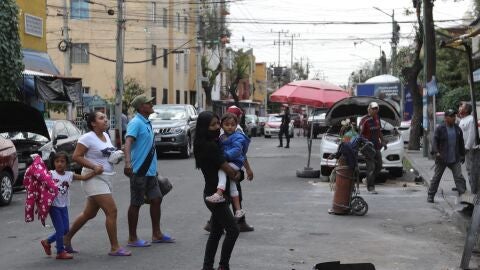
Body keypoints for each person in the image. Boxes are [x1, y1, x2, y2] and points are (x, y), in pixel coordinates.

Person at [64, 111, 131, 256]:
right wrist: (94, 166)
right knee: (112, 211)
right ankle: (115, 248)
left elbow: (107, 155)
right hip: (92, 178)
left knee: (89, 213)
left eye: (106, 118)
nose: (106, 120)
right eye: (101, 118)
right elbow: (76, 156)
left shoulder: (106, 135)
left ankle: (65, 238)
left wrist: (118, 154)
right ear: (93, 123)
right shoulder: (87, 138)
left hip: (105, 178)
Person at [124, 95, 175, 248]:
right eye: (148, 103)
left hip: (150, 171)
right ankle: (132, 238)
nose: (152, 104)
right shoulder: (136, 122)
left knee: (156, 199)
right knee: (136, 203)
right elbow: (128, 142)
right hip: (139, 171)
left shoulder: (146, 122)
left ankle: (157, 234)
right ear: (141, 107)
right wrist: (128, 163)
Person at [194, 111, 241, 270]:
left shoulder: (206, 143)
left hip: (216, 194)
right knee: (233, 230)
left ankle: (207, 266)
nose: (217, 127)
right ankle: (223, 266)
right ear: (204, 128)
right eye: (212, 125)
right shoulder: (211, 146)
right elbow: (229, 170)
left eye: (217, 123)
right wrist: (238, 174)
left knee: (216, 232)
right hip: (215, 196)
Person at [40, 152, 97, 259]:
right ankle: (60, 252)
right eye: (57, 161)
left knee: (65, 229)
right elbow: (40, 179)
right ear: (53, 163)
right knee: (60, 230)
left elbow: (84, 177)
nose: (59, 164)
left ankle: (47, 241)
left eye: (62, 161)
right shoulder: (51, 174)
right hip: (53, 206)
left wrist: (95, 172)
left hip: (64, 205)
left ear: (66, 163)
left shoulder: (69, 175)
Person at [205, 112, 250, 219]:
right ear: (222, 125)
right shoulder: (222, 136)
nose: (230, 127)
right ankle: (238, 210)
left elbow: (237, 150)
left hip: (234, 162)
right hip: (232, 162)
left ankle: (219, 192)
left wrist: (223, 156)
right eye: (227, 124)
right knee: (233, 186)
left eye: (232, 125)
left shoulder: (238, 136)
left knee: (222, 170)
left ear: (236, 125)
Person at [428, 109, 468, 203]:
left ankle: (464, 197)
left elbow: (461, 143)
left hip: (455, 158)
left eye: (454, 116)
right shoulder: (440, 128)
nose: (454, 118)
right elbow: (434, 141)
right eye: (451, 116)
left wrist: (462, 155)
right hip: (442, 158)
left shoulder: (458, 129)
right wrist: (436, 152)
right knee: (436, 177)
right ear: (446, 118)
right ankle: (430, 195)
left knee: (459, 177)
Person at [359, 101, 386, 194]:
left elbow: (379, 131)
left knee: (379, 166)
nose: (375, 110)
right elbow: (360, 135)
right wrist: (365, 142)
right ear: (369, 109)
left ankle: (367, 179)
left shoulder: (377, 118)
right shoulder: (364, 120)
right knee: (371, 167)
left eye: (376, 108)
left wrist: (383, 141)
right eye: (373, 108)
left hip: (377, 146)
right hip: (368, 147)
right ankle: (371, 187)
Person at [458, 102, 477, 193]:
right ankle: (473, 189)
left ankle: (475, 191)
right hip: (464, 150)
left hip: (470, 149)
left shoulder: (471, 119)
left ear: (466, 110)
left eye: (462, 106)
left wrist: (466, 147)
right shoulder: (462, 120)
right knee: (468, 170)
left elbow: (471, 135)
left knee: (472, 170)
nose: (459, 108)